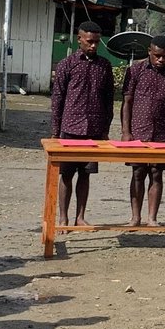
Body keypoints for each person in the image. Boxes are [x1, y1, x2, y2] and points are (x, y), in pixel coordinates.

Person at [49, 21, 115, 227]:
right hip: (70, 129)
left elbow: (109, 100)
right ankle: (63, 218)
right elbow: (57, 98)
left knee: (85, 175)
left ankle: (80, 217)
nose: (93, 45)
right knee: (66, 175)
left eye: (96, 42)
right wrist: (56, 131)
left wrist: (105, 129)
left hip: (93, 130)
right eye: (89, 41)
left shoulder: (104, 66)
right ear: (79, 40)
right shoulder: (66, 64)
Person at [119, 35, 165, 226]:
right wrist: (126, 131)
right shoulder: (135, 71)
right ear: (149, 52)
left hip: (162, 133)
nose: (161, 59)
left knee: (156, 173)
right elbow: (127, 102)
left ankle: (152, 218)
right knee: (138, 172)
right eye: (157, 56)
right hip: (138, 130)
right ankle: (135, 217)